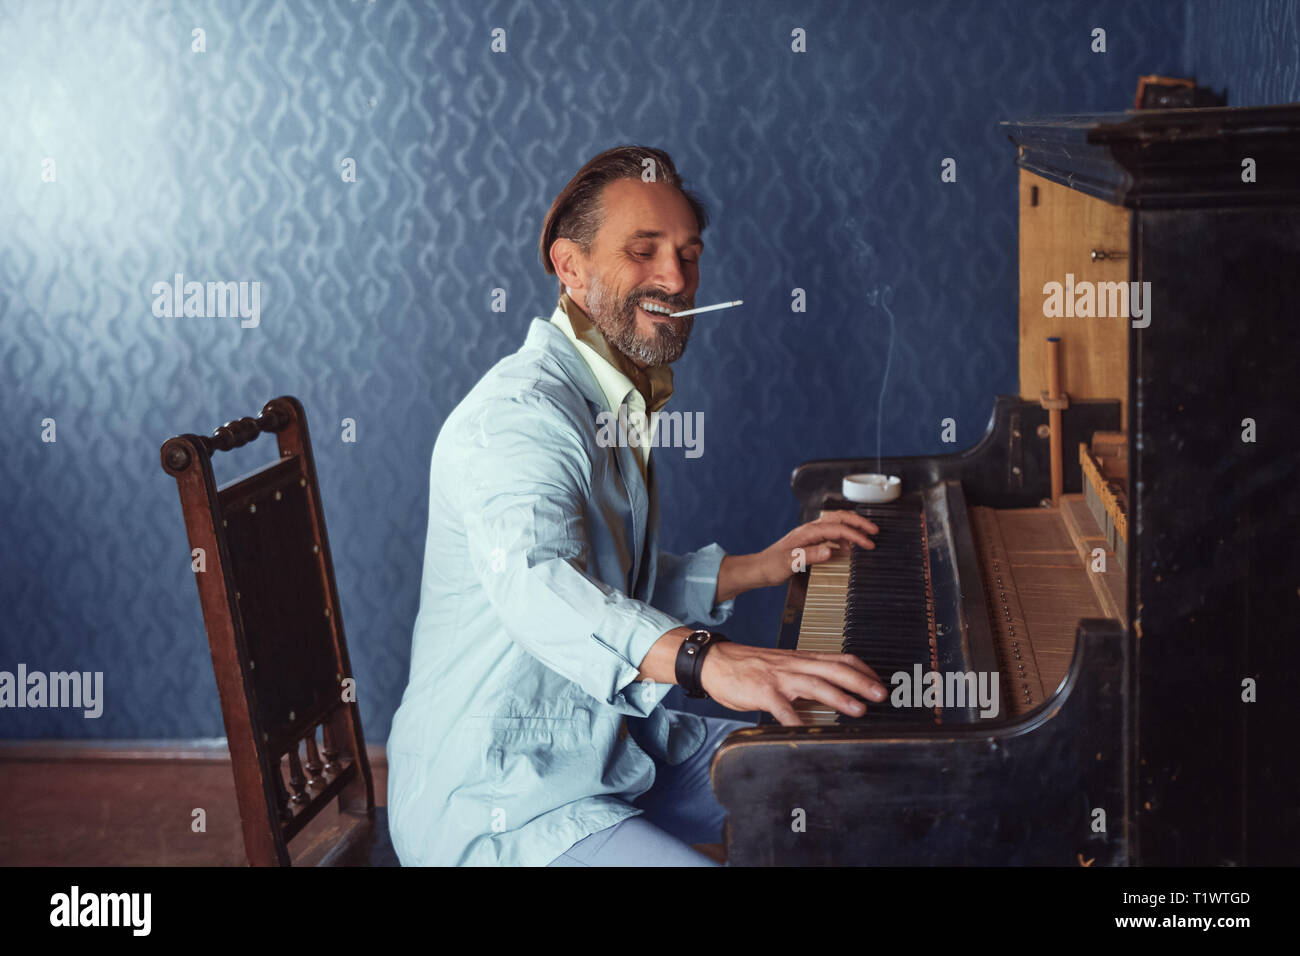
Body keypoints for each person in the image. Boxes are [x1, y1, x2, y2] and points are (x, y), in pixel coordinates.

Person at [386, 145, 884, 866]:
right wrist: (706, 660)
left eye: (688, 254)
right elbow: (540, 585)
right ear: (572, 268)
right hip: (504, 796)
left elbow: (610, 588)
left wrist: (757, 568)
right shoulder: (519, 417)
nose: (676, 278)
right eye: (643, 251)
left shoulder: (612, 395)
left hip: (614, 745)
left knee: (849, 782)